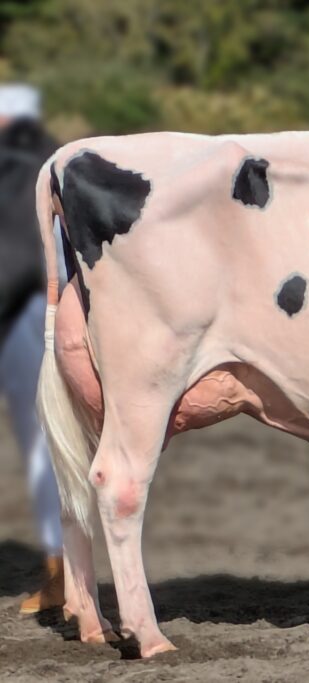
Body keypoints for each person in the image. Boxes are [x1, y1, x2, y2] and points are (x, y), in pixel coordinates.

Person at [0, 83, 64, 614]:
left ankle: (60, 573)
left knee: (42, 441)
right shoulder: (46, 158)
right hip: (31, 306)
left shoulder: (25, 166)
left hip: (24, 311)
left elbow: (19, 256)